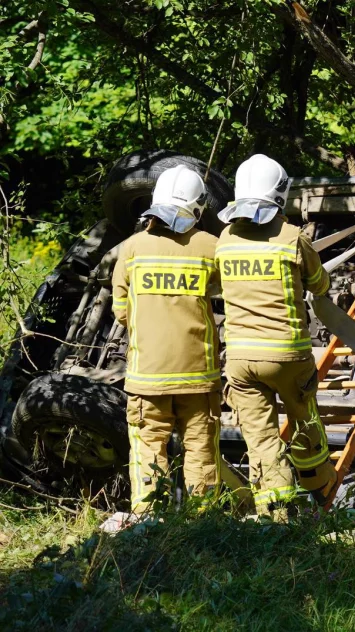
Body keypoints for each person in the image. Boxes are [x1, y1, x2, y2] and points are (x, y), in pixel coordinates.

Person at [215, 154, 335, 518]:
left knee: (262, 440)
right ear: (281, 194)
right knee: (304, 422)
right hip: (287, 356)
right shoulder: (292, 238)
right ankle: (320, 488)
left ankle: (277, 515)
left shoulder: (225, 238)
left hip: (239, 360)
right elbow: (320, 284)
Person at [112, 165, 222, 515]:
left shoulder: (130, 249)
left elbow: (121, 312)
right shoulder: (211, 247)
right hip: (198, 377)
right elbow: (224, 293)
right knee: (201, 449)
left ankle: (148, 522)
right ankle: (203, 521)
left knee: (148, 449)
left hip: (147, 376)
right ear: (197, 206)